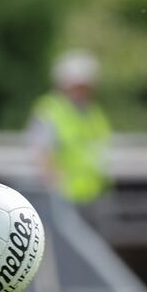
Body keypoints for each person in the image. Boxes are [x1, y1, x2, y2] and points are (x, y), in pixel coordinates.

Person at [26, 49, 113, 205]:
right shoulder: (50, 110)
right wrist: (55, 185)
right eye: (78, 86)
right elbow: (41, 152)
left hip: (93, 194)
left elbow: (101, 150)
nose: (82, 91)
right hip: (63, 197)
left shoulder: (93, 112)